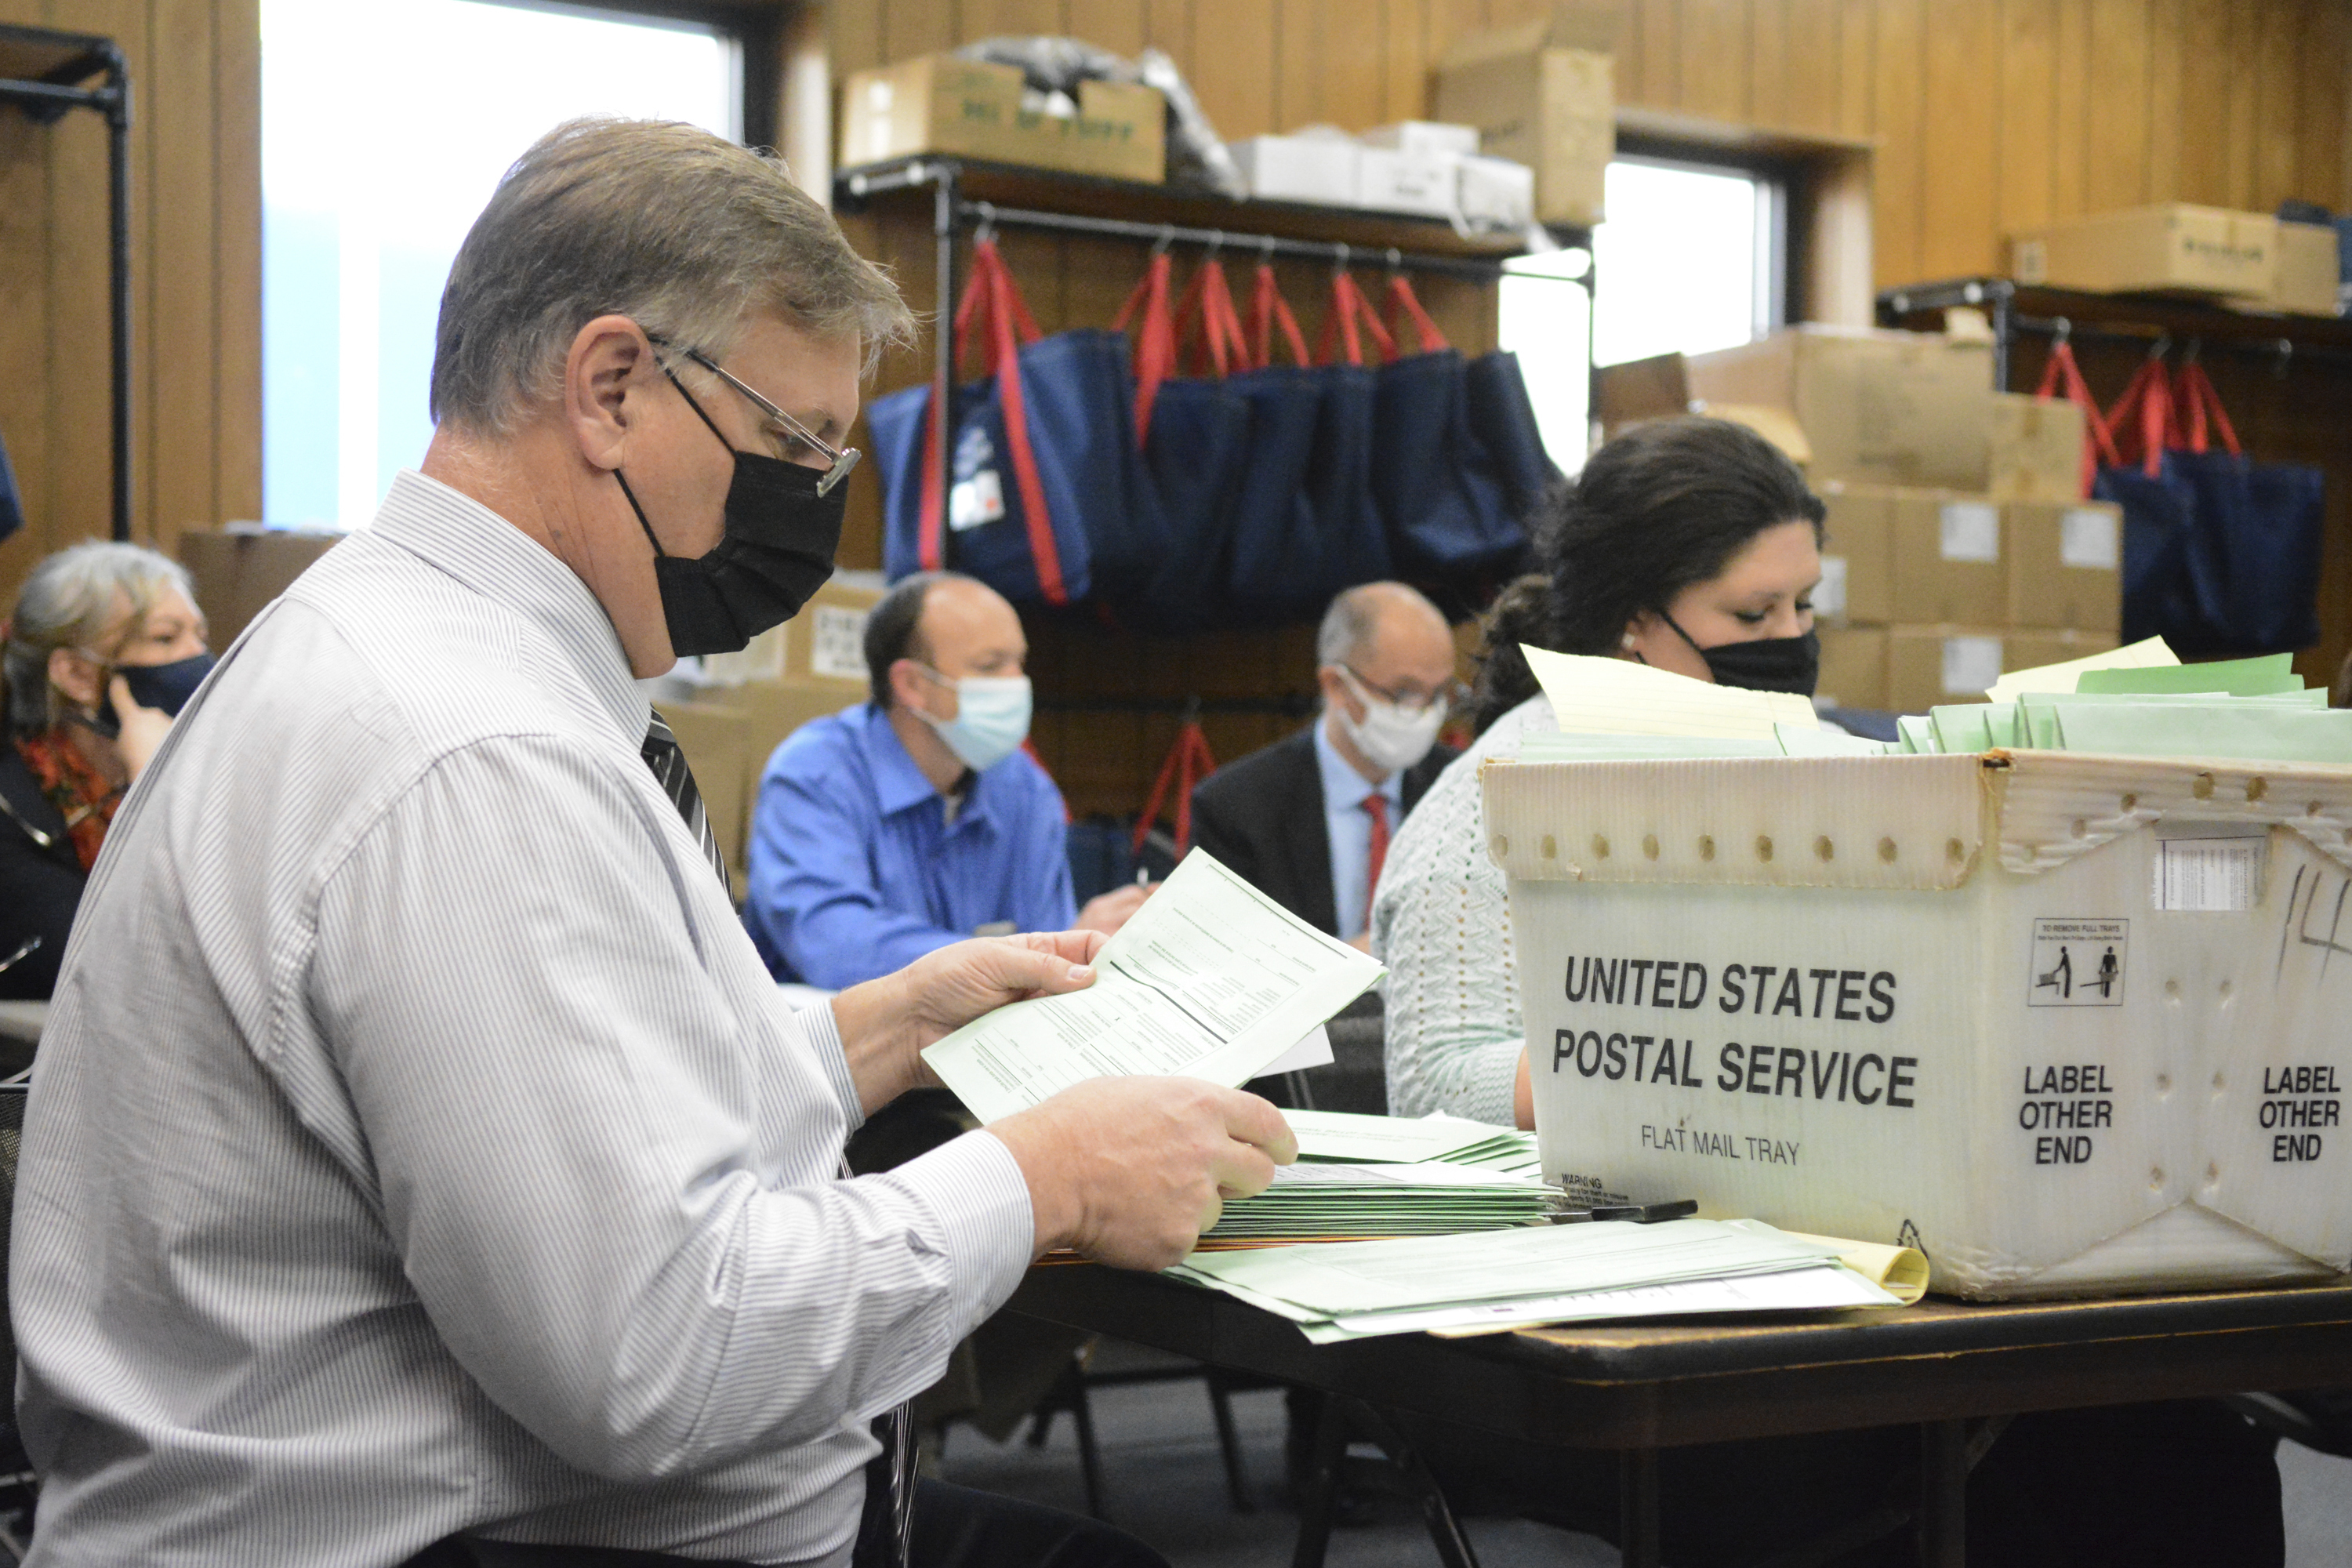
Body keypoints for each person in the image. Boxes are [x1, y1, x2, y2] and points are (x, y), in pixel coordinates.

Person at [13, 118, 1295, 1568]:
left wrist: (893, 1021)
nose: (815, 500)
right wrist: (1046, 1172)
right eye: (794, 441)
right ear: (611, 387)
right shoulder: (476, 754)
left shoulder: (402, 650)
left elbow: (592, 1101)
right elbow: (661, 1356)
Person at [1370, 416, 2282, 1567]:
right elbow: (1438, 1089)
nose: (1791, 641)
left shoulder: (1823, 766)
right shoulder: (1490, 797)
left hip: (1852, 1272)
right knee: (1990, 1474)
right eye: (1751, 617)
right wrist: (1710, 1060)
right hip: (1616, 1305)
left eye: (1805, 608)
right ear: (1633, 626)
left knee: (2184, 1453)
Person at [742, 571, 1149, 989]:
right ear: (912, 685)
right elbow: (834, 946)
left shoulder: (1026, 789)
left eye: (1020, 663)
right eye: (990, 666)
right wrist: (1020, 959)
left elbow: (1047, 959)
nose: (1017, 684)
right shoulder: (815, 774)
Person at [1189, 583, 1459, 950]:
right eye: (1405, 693)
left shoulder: (1464, 787)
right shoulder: (1234, 807)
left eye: (1440, 694)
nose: (1427, 714)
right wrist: (1359, 958)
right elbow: (1226, 963)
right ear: (1336, 685)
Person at [1, 542, 212, 1000]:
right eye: (165, 638)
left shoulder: (211, 759)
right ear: (77, 674)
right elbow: (134, 962)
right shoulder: (11, 812)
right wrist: (153, 786)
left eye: (199, 635)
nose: (199, 660)